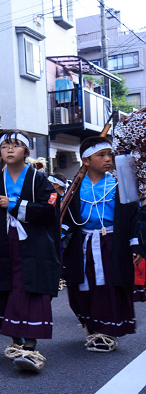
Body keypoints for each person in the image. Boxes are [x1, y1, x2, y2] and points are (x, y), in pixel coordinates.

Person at [0, 131, 60, 373]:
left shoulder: (38, 179)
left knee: (29, 289)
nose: (9, 150)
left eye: (16, 145)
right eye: (5, 146)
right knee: (6, 287)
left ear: (26, 151)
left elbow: (49, 210)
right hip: (2, 241)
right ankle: (15, 341)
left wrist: (14, 204)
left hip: (32, 243)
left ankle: (31, 345)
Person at [63, 137, 141, 352]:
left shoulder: (119, 183)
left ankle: (106, 333)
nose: (108, 159)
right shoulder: (74, 187)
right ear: (86, 160)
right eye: (101, 155)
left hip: (113, 242)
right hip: (83, 242)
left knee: (109, 288)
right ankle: (92, 327)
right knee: (81, 286)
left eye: (110, 154)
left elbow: (133, 216)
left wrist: (135, 244)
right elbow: (66, 220)